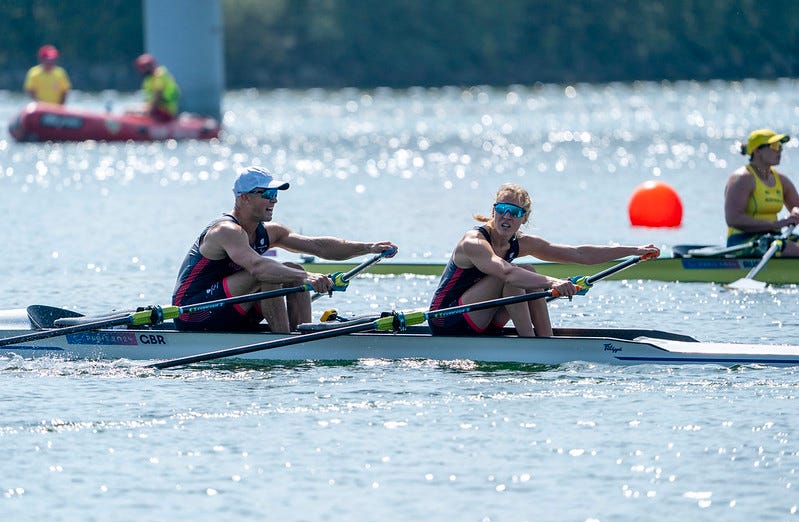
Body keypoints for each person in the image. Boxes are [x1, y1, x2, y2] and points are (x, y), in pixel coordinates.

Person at [172, 166, 398, 333]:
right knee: (270, 273)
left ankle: (304, 332)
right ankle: (284, 341)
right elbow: (258, 268)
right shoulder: (226, 231)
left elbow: (319, 246)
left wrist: (368, 247)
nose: (275, 200)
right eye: (268, 194)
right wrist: (307, 276)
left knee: (291, 269)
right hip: (194, 312)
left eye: (276, 194)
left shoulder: (271, 232)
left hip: (230, 310)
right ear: (244, 198)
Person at [428, 183, 659, 338]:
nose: (507, 216)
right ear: (493, 211)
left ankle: (543, 340)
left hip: (481, 318)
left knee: (527, 271)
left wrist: (634, 250)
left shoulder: (522, 242)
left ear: (524, 218)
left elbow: (579, 254)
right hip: (447, 319)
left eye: (515, 212)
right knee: (518, 274)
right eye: (502, 209)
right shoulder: (474, 242)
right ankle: (532, 345)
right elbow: (506, 273)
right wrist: (553, 282)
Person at [724, 128, 799, 256]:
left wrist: (795, 212)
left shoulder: (781, 179)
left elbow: (796, 206)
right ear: (757, 150)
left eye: (780, 146)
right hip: (742, 241)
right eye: (774, 146)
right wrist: (775, 224)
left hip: (771, 237)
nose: (780, 150)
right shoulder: (742, 179)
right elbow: (733, 219)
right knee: (791, 249)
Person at [133, 53, 181, 121]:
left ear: (149, 66)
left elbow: (158, 94)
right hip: (160, 109)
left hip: (165, 111)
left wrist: (149, 111)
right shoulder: (150, 78)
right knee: (132, 108)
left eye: (142, 68)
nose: (140, 71)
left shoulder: (158, 75)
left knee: (134, 112)